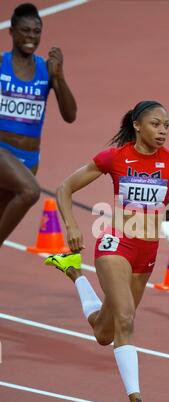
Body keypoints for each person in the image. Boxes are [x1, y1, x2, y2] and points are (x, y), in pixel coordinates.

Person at [44, 100, 169, 402]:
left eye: (166, 126)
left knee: (105, 333)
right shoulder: (115, 158)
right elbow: (64, 188)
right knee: (126, 318)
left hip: (147, 253)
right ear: (137, 125)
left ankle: (74, 272)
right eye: (156, 124)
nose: (162, 131)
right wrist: (71, 226)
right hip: (115, 243)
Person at [0, 3, 77, 247]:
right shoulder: (1, 65)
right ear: (11, 32)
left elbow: (70, 115)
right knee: (30, 192)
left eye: (36, 32)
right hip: (2, 151)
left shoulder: (46, 69)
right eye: (25, 31)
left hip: (29, 159)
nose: (31, 37)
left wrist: (59, 77)